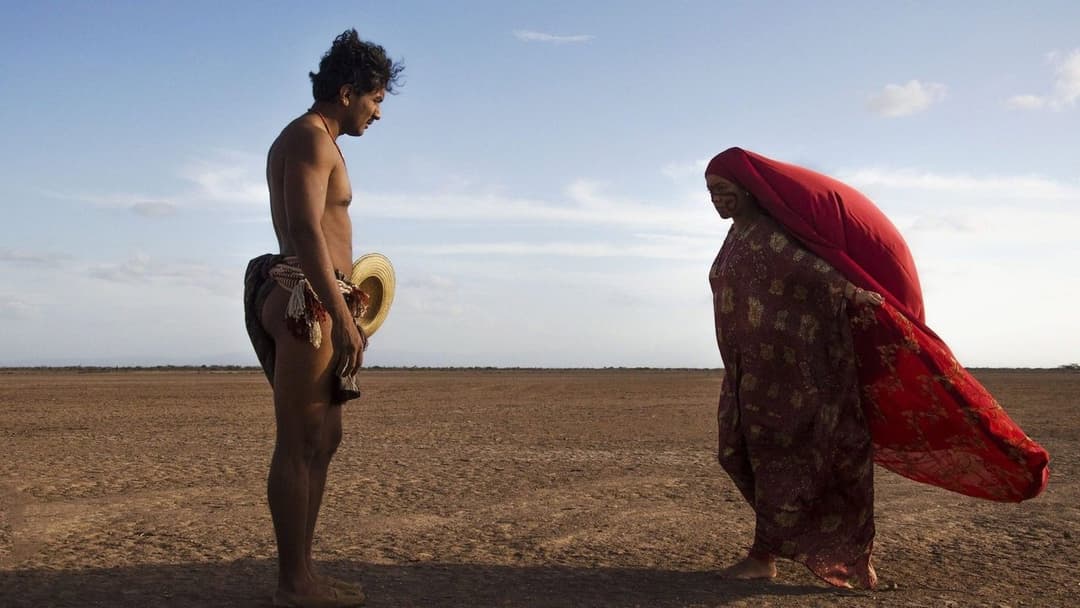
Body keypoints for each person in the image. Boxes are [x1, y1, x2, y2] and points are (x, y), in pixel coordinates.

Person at [704, 147, 1049, 589]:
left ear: (749, 190)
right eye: (711, 193)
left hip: (798, 378)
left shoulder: (771, 235)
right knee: (739, 454)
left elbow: (814, 273)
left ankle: (786, 555)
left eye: (723, 190)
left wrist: (852, 294)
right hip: (749, 377)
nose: (716, 199)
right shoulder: (736, 238)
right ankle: (774, 548)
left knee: (797, 462)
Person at [243, 29, 403, 607]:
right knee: (299, 440)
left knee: (323, 438)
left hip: (319, 295)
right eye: (376, 99)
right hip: (306, 301)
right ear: (346, 91)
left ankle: (304, 572)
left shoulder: (318, 140)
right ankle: (293, 583)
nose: (378, 113)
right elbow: (308, 229)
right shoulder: (310, 139)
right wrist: (338, 311)